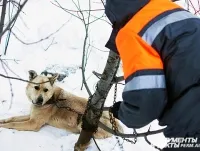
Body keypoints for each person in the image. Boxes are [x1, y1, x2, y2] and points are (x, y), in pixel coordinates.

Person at [105, 0, 200, 150]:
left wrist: (122, 112)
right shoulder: (178, 13)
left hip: (193, 124)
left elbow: (146, 101)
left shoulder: (131, 31)